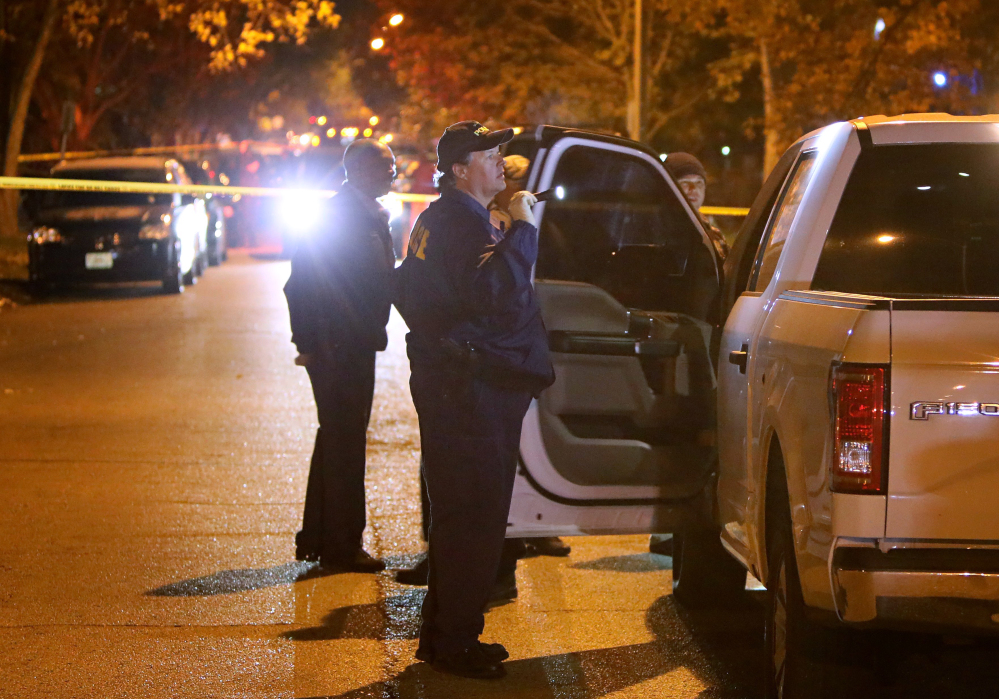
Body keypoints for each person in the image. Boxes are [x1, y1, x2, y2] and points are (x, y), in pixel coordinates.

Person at [395, 121, 554, 679]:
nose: (500, 164)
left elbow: (412, 290)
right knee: (474, 516)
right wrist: (525, 231)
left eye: (500, 154)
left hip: (457, 382)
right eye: (488, 155)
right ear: (459, 169)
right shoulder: (460, 221)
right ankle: (456, 643)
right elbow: (494, 293)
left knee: (459, 515)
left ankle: (445, 635)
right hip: (470, 388)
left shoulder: (447, 219)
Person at [284, 139, 397, 572]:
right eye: (385, 165)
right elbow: (302, 283)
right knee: (344, 440)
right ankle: (342, 545)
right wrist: (309, 344)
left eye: (393, 164)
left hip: (354, 343)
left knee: (337, 438)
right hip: (337, 347)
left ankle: (321, 538)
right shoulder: (338, 216)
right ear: (359, 170)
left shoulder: (368, 214)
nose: (393, 172)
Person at [663, 152, 729, 262]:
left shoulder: (714, 236)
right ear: (669, 188)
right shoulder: (654, 232)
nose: (693, 189)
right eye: (685, 183)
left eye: (699, 183)